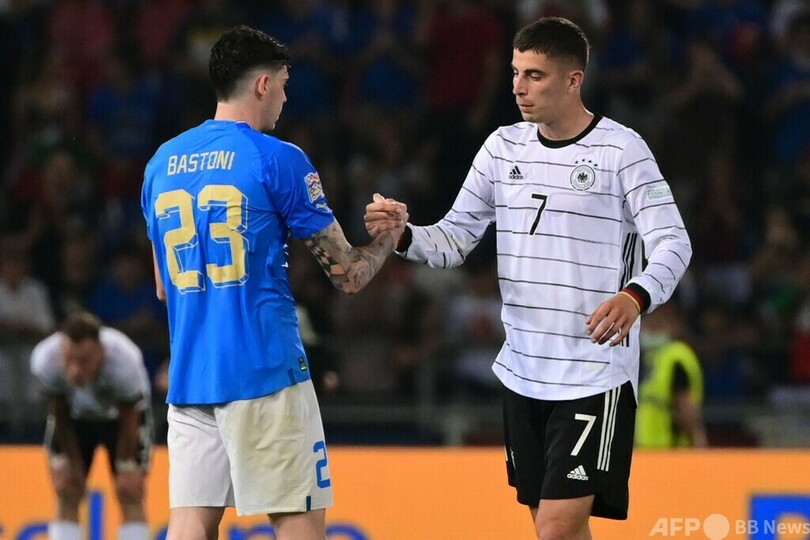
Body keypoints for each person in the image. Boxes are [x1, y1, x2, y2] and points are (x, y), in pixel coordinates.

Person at [365, 16, 692, 539]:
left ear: (573, 79)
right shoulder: (502, 147)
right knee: (557, 528)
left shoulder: (621, 150)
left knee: (555, 528)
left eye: (535, 75)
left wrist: (636, 296)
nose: (518, 86)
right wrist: (404, 235)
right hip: (523, 369)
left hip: (594, 373)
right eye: (516, 73)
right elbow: (454, 239)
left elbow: (674, 241)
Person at [140, 25, 406, 540]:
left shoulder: (161, 163)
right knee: (297, 523)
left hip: (191, 376)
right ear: (263, 84)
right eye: (283, 85)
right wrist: (388, 238)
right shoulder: (278, 158)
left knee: (190, 525)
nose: (285, 99)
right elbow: (348, 275)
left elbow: (162, 286)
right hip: (266, 372)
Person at [30, 311, 153, 540]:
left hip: (122, 419)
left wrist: (126, 465)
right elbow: (59, 410)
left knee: (129, 491)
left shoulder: (124, 359)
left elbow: (130, 413)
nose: (75, 370)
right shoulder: (46, 359)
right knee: (67, 488)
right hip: (74, 418)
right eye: (70, 360)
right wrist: (71, 460)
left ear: (101, 351)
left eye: (84, 361)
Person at [635, 301, 708, 448]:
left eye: (659, 323)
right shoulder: (653, 357)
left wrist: (698, 443)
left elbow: (685, 406)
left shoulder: (676, 357)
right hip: (649, 448)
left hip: (671, 449)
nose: (652, 328)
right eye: (651, 322)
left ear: (676, 325)